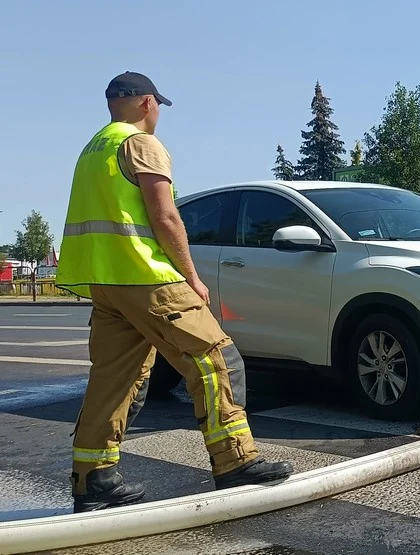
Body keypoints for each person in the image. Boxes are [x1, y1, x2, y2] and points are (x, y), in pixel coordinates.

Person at [55, 72, 293, 513]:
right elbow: (165, 217)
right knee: (215, 358)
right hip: (147, 277)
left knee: (114, 378)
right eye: (158, 104)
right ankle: (234, 461)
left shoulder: (92, 151)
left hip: (106, 283)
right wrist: (192, 277)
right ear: (147, 103)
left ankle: (93, 479)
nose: (158, 112)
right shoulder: (142, 144)